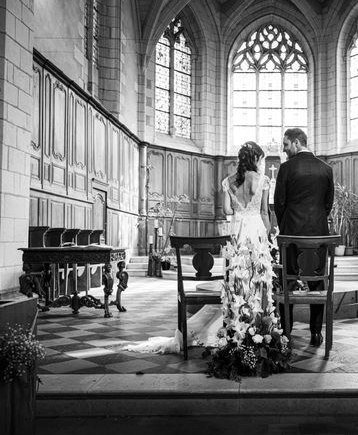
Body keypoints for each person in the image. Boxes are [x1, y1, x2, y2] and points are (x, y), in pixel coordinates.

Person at [125, 142, 272, 354]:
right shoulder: (263, 181)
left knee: (236, 280)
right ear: (256, 159)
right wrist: (266, 238)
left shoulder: (229, 181)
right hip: (256, 231)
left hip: (238, 231)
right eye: (261, 159)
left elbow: (227, 210)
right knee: (257, 280)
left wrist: (238, 204)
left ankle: (236, 325)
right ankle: (255, 326)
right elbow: (265, 213)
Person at [274, 128, 334, 346]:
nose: (284, 149)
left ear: (297, 143)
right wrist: (316, 224)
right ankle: (316, 333)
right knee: (318, 283)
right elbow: (328, 203)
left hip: (290, 235)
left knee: (287, 282)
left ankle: (285, 332)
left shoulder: (286, 168)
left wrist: (285, 226)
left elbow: (279, 203)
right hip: (319, 235)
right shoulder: (326, 169)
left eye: (286, 144)